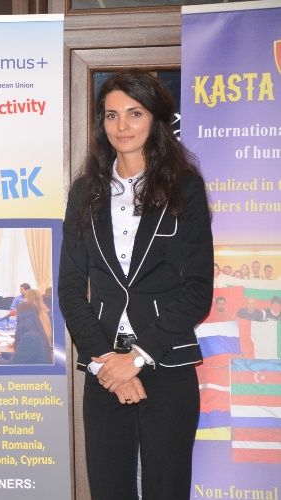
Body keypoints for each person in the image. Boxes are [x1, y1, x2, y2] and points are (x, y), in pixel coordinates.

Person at [58, 70, 213, 500]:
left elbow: (198, 289)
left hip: (166, 360)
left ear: (156, 119)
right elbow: (70, 288)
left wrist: (139, 357)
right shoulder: (85, 192)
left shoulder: (184, 189)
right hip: (104, 364)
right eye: (111, 115)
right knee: (109, 489)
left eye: (134, 113)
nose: (121, 126)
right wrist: (109, 362)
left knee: (166, 489)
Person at [0, 289, 53, 365]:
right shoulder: (36, 330)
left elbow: (11, 364)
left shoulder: (30, 337)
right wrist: (0, 354)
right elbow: (21, 356)